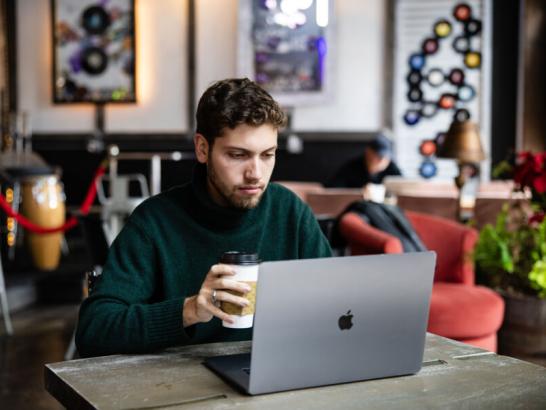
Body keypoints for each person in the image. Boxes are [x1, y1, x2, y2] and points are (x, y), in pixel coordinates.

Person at [76, 78, 332, 357]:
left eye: (268, 155)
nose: (256, 174)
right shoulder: (154, 222)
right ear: (202, 148)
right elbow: (93, 330)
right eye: (238, 155)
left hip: (278, 375)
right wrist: (190, 310)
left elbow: (336, 303)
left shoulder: (290, 212)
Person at [326, 132, 402, 188]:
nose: (382, 160)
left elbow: (404, 188)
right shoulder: (352, 167)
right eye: (379, 156)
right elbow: (333, 188)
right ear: (368, 152)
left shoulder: (392, 168)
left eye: (386, 157)